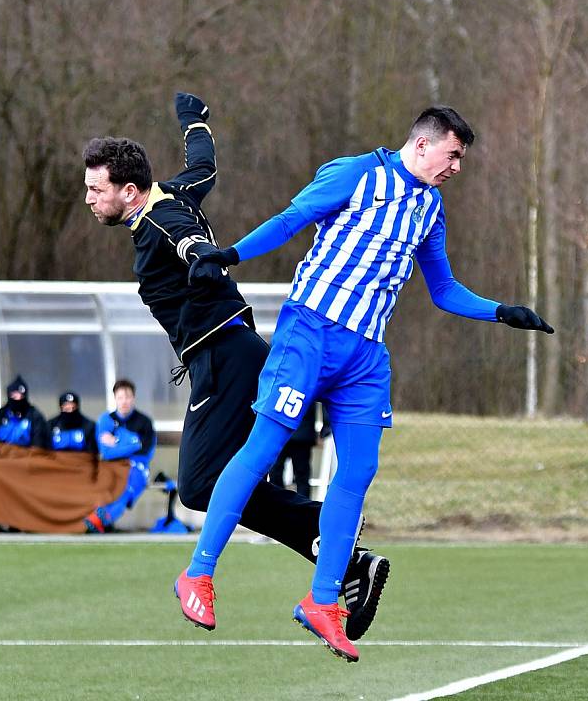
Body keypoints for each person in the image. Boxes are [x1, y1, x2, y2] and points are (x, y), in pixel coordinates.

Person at [179, 106, 555, 662]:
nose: (456, 167)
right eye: (453, 155)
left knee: (358, 471)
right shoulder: (356, 174)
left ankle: (323, 602)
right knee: (262, 448)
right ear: (423, 145)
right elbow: (290, 221)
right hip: (309, 333)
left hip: (365, 356)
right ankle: (198, 575)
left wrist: (502, 312)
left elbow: (444, 289)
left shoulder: (430, 209)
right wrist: (229, 255)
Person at [83, 94, 388, 640]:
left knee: (199, 485)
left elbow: (185, 240)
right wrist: (193, 121)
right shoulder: (171, 193)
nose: (88, 198)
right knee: (231, 480)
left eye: (94, 189)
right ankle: (337, 548)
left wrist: (201, 256)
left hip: (225, 359)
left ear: (127, 192)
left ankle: (324, 533)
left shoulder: (160, 219)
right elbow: (204, 167)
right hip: (235, 355)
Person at [84, 379, 156, 532]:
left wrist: (117, 441)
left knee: (130, 486)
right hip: (111, 465)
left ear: (133, 398)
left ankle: (104, 518)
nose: (124, 401)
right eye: (120, 397)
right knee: (101, 480)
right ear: (115, 398)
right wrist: (134, 444)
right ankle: (101, 520)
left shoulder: (144, 422)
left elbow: (146, 453)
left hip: (136, 466)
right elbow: (107, 453)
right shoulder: (106, 420)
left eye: (128, 397)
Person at [269, 402, 328, 499]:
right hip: (302, 433)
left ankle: (278, 505)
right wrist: (325, 428)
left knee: (276, 473)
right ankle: (303, 509)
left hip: (281, 431)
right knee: (302, 476)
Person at [0, 375, 47, 449]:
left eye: (21, 396)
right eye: (14, 396)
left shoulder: (35, 416)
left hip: (27, 457)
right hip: (1, 456)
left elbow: (38, 444)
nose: (17, 400)